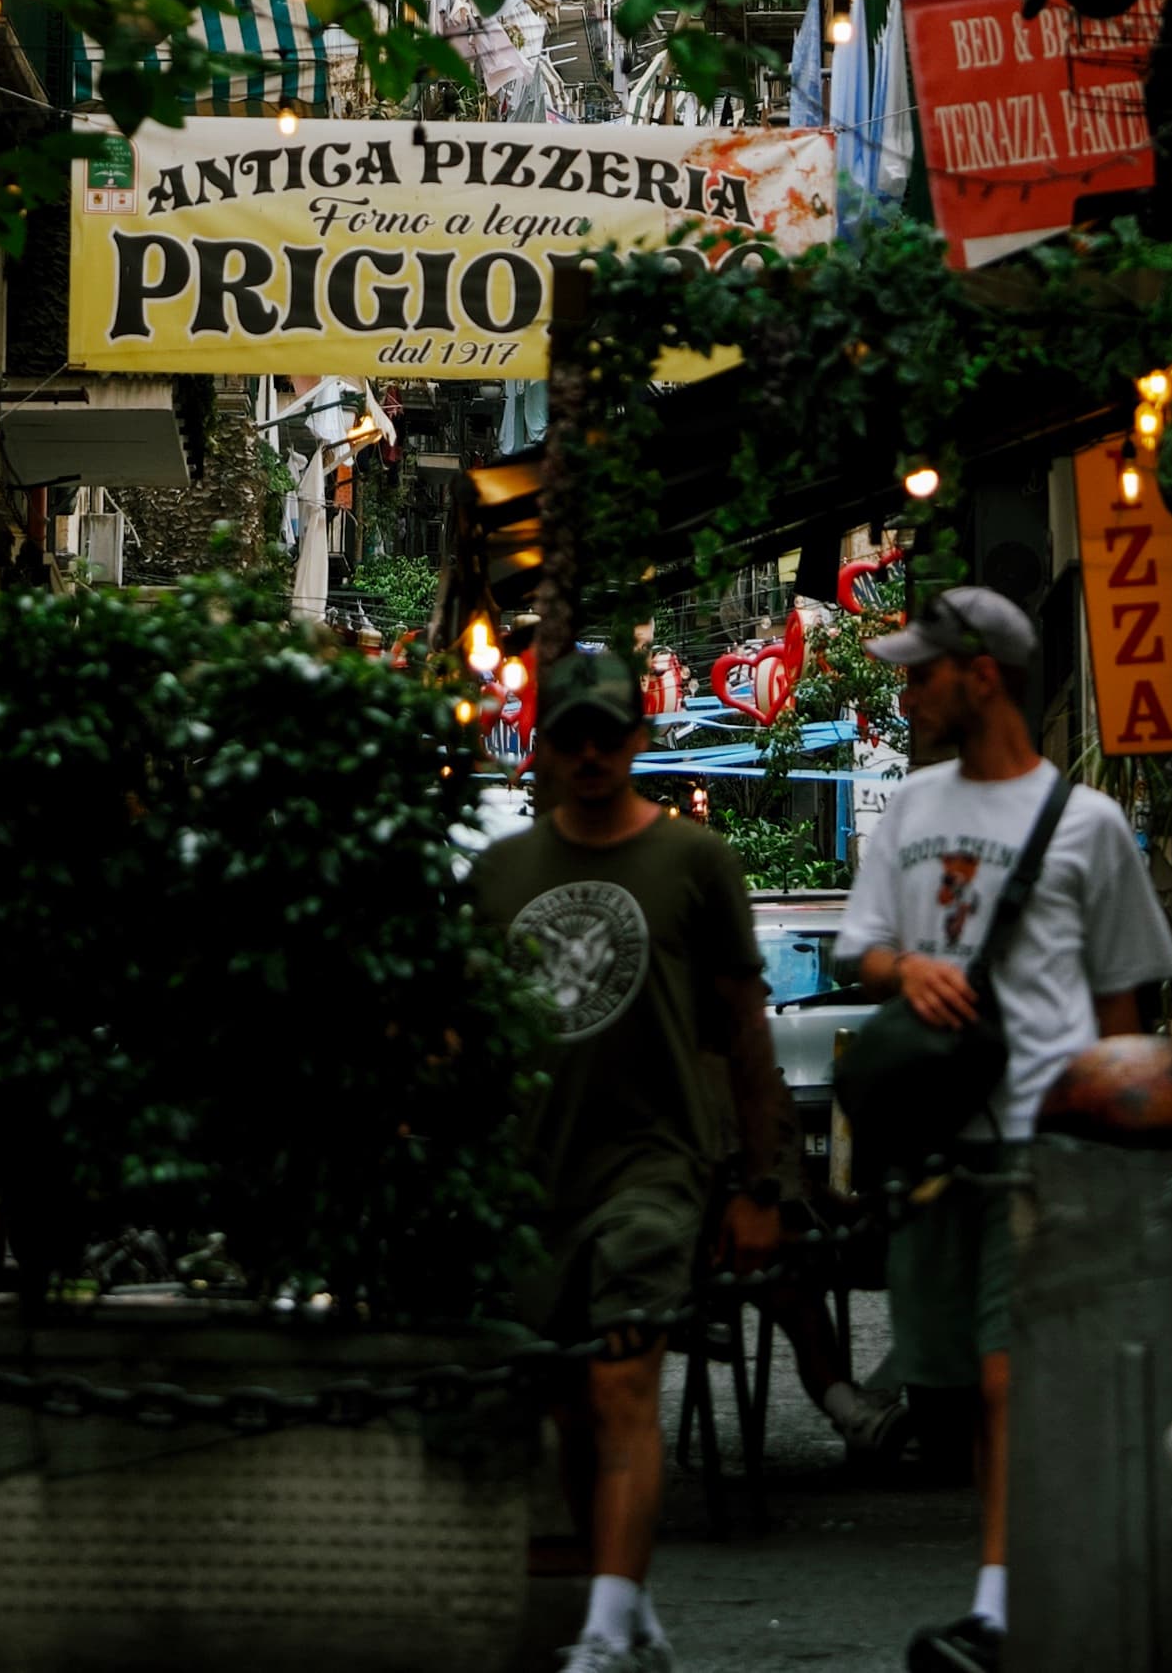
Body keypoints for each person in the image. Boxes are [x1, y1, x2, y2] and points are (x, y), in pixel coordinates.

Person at [838, 584, 1172, 1673]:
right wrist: (910, 966)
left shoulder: (1087, 824)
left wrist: (1117, 1143)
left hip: (1042, 1132)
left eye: (922, 668)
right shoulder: (909, 806)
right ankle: (1023, 1583)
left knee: (1007, 1373)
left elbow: (1122, 999)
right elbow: (866, 945)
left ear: (980, 674)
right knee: (953, 1385)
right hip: (937, 1141)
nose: (907, 687)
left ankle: (1003, 1606)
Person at [475, 636, 792, 1673]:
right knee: (569, 1400)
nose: (591, 754)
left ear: (637, 738)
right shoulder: (501, 871)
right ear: (545, 747)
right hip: (535, 1171)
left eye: (608, 734)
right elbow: (468, 1032)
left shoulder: (695, 861)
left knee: (622, 1382)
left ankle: (607, 1626)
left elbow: (745, 1025)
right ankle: (626, 1604)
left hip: (657, 1165)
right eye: (572, 736)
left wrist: (759, 1180)